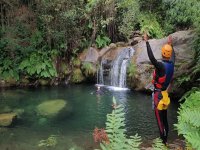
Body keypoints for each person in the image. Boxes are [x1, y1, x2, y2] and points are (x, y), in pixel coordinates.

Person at [144, 33, 175, 145]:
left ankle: (163, 143)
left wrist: (147, 42)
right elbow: (172, 56)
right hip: (165, 95)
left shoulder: (161, 66)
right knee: (165, 120)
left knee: (159, 122)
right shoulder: (172, 65)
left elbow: (152, 58)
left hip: (158, 96)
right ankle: (166, 140)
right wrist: (170, 44)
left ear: (162, 53)